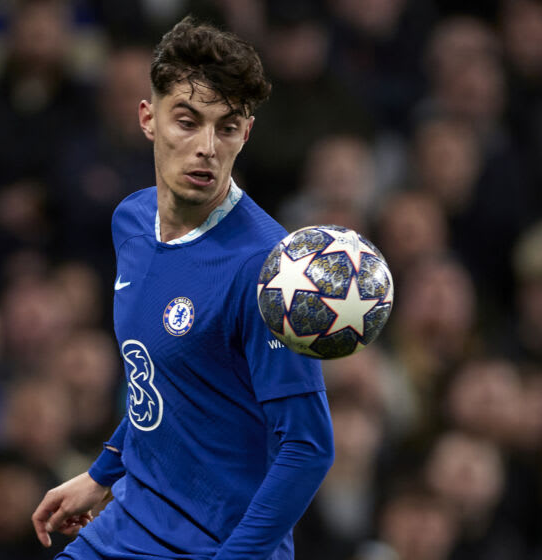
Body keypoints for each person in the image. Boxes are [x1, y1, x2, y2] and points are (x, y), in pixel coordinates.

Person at [31, 16, 335, 559]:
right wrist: (103, 471)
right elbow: (168, 378)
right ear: (148, 118)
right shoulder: (130, 221)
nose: (206, 147)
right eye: (187, 121)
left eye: (226, 127)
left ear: (246, 134)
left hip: (219, 547)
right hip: (128, 522)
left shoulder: (271, 270)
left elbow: (308, 448)